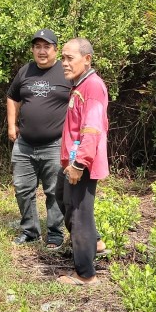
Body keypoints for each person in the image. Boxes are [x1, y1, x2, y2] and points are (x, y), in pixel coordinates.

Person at [7, 29, 70, 247]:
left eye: (47, 47)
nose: (42, 51)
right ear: (33, 49)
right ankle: (30, 231)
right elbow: (12, 97)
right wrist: (11, 125)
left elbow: (81, 101)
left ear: (55, 49)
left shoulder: (66, 71)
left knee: (54, 191)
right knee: (23, 189)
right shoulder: (26, 70)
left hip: (55, 144)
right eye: (37, 47)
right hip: (24, 144)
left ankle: (55, 232)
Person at [55, 38, 109, 286]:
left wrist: (79, 164)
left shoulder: (93, 87)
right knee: (62, 198)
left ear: (87, 60)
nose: (64, 63)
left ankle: (85, 275)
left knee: (79, 215)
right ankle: (94, 242)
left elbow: (92, 129)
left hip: (82, 164)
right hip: (72, 161)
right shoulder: (80, 84)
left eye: (70, 58)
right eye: (63, 58)